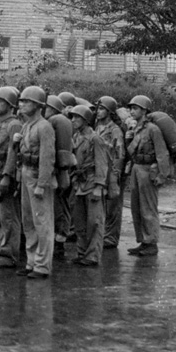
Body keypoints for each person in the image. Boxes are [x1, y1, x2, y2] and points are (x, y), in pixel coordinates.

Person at [13, 86, 56, 279]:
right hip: (25, 174)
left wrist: (42, 184)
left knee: (42, 222)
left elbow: (47, 158)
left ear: (38, 105)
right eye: (21, 101)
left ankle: (42, 265)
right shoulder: (27, 125)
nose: (21, 105)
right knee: (28, 221)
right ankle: (31, 262)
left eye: (26, 102)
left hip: (38, 176)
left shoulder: (44, 127)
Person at [125, 95, 171, 257]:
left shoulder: (153, 129)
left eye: (135, 108)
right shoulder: (135, 128)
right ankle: (144, 241)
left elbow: (162, 154)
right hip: (136, 169)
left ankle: (151, 242)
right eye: (131, 108)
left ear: (144, 111)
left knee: (148, 208)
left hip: (148, 170)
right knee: (136, 207)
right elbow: (130, 151)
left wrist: (162, 175)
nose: (132, 111)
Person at [0, 87, 23, 269]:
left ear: (10, 105)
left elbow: (13, 153)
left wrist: (7, 176)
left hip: (4, 175)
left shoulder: (13, 125)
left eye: (0, 101)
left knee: (8, 216)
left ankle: (9, 254)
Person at [69, 105, 109, 266]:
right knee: (79, 221)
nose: (73, 120)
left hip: (92, 183)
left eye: (77, 118)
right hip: (79, 183)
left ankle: (92, 255)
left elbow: (102, 163)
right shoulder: (76, 137)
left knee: (94, 222)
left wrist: (99, 187)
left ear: (85, 120)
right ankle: (82, 252)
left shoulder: (95, 139)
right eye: (72, 117)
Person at [44, 95, 75, 259]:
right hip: (53, 170)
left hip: (59, 171)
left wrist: (62, 171)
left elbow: (63, 151)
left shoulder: (59, 121)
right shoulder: (53, 122)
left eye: (47, 107)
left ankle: (60, 242)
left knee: (60, 208)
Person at [95, 96, 126, 249]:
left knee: (113, 204)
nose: (98, 112)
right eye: (98, 109)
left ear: (109, 112)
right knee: (101, 204)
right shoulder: (97, 126)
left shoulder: (115, 130)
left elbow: (120, 153)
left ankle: (111, 237)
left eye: (102, 109)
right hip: (99, 170)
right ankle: (102, 234)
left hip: (111, 170)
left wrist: (115, 174)